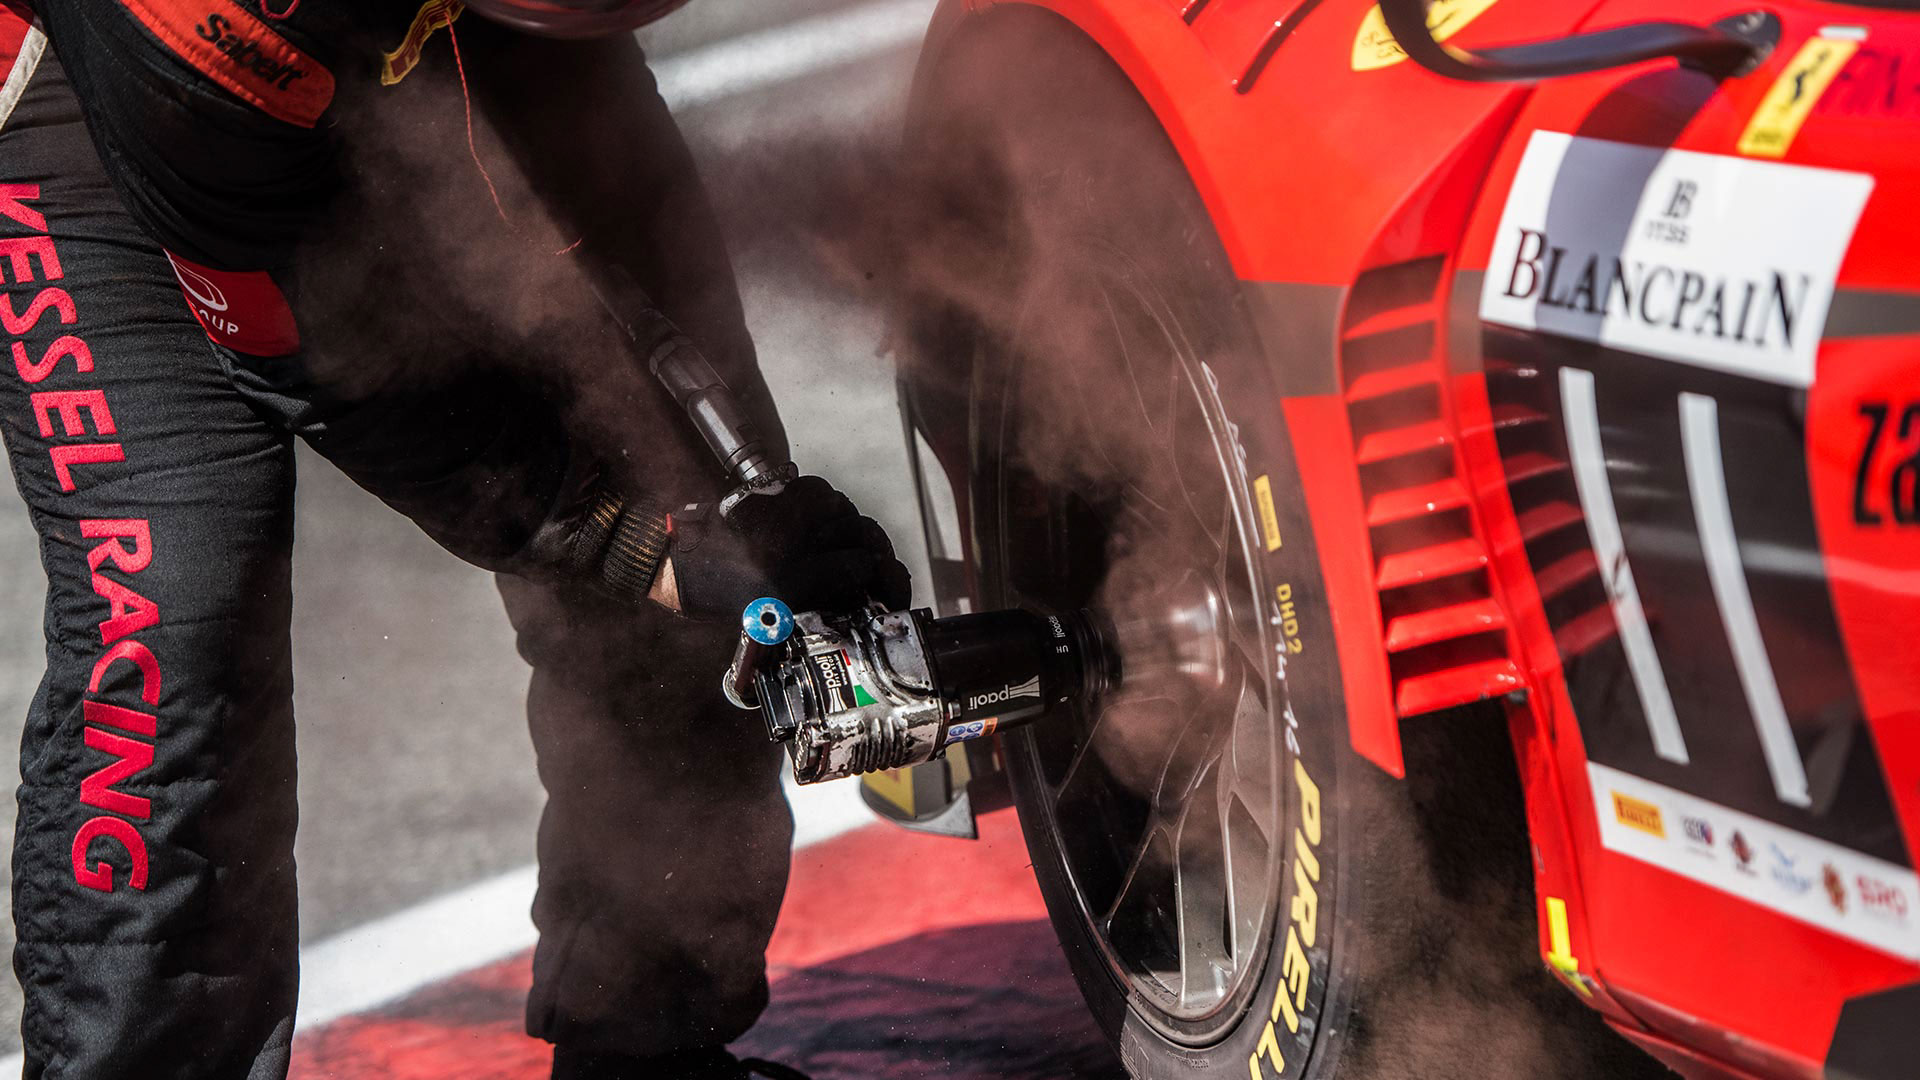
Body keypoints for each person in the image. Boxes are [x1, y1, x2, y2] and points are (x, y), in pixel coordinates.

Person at [0, 0, 909, 1075]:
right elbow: (325, 367)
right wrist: (628, 540)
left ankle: (645, 1039)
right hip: (110, 99)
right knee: (177, 626)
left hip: (482, 44)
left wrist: (683, 514)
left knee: (699, 500)